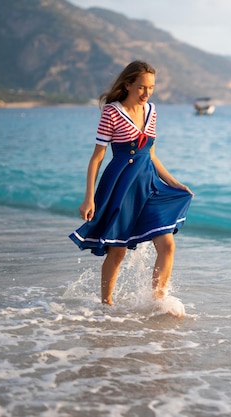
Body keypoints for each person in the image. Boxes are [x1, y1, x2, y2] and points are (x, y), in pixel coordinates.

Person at [69, 61, 193, 309]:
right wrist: (89, 197)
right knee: (118, 250)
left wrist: (174, 182)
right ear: (127, 85)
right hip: (121, 185)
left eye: (151, 88)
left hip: (149, 184)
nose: (146, 94)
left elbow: (152, 154)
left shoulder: (151, 111)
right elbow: (97, 157)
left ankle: (159, 301)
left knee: (167, 245)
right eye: (141, 88)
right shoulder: (111, 112)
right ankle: (107, 304)